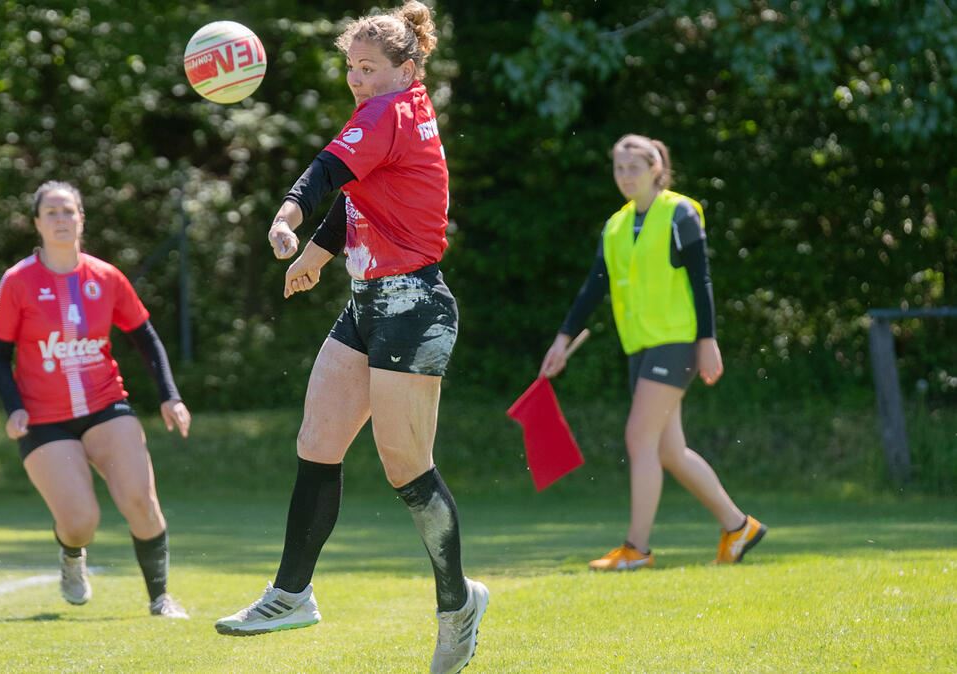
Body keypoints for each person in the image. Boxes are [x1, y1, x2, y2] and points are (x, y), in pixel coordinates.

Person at [213, 3, 487, 672]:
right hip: (369, 304)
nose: (357, 79)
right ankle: (291, 593)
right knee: (318, 439)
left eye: (369, 68)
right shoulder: (400, 109)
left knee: (406, 467)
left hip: (414, 307)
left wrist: (286, 219)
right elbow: (364, 192)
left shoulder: (387, 113)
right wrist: (318, 252)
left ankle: (458, 604)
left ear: (407, 67)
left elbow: (326, 175)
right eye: (350, 69)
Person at [539, 134, 767, 571]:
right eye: (619, 169)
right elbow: (593, 289)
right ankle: (738, 527)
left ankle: (636, 550)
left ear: (656, 170)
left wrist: (708, 340)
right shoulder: (616, 225)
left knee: (638, 437)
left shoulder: (680, 213)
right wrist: (562, 341)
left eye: (634, 168)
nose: (625, 177)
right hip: (641, 346)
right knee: (668, 452)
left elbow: (702, 281)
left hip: (677, 340)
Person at [0, 181, 190, 618]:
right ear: (37, 223)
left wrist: (170, 397)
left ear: (81, 219)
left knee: (140, 500)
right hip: (44, 419)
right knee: (81, 522)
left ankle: (160, 598)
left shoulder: (105, 277)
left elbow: (146, 338)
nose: (61, 220)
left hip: (105, 405)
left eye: (69, 211)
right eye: (52, 213)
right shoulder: (18, 281)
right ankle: (71, 557)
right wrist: (14, 407)